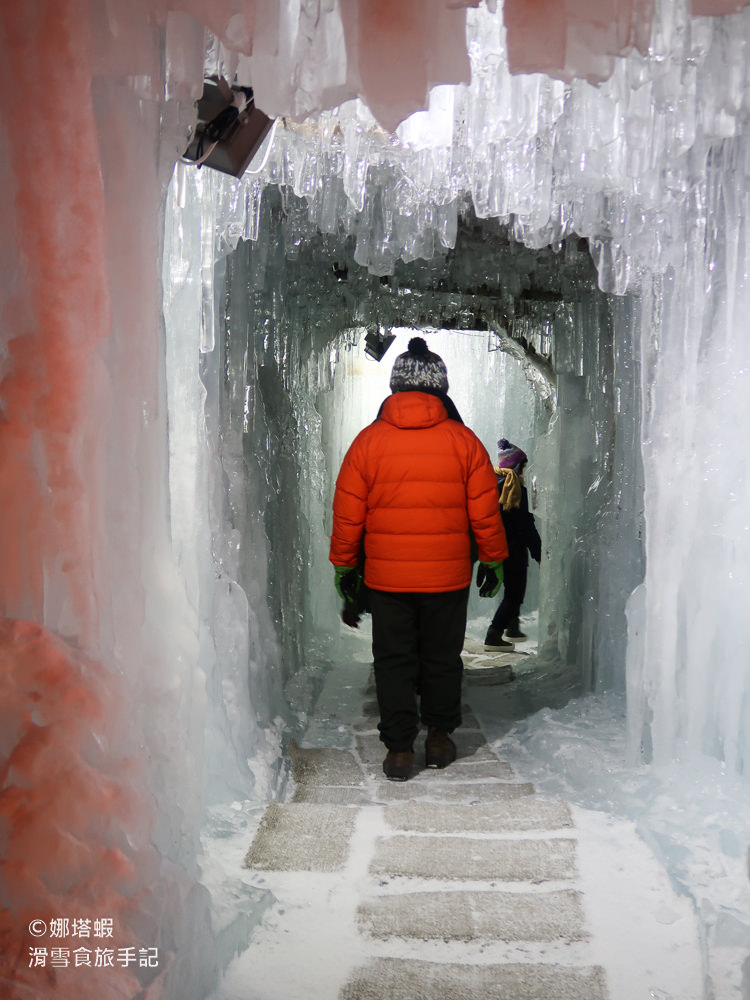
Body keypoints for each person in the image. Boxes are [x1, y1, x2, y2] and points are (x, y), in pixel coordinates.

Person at [330, 337, 508, 781]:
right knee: (441, 658)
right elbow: (484, 510)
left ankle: (399, 751)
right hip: (446, 578)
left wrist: (345, 567)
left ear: (395, 388)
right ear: (441, 389)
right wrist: (493, 558)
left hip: (387, 578)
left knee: (393, 660)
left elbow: (348, 512)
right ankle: (440, 738)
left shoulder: (367, 443)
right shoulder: (464, 442)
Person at [484, 439, 542, 650]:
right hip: (515, 551)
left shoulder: (494, 487)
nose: (525, 471)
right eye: (524, 467)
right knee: (515, 594)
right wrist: (540, 554)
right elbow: (527, 526)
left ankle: (512, 627)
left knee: (512, 590)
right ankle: (494, 633)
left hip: (499, 549)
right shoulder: (516, 491)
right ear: (517, 467)